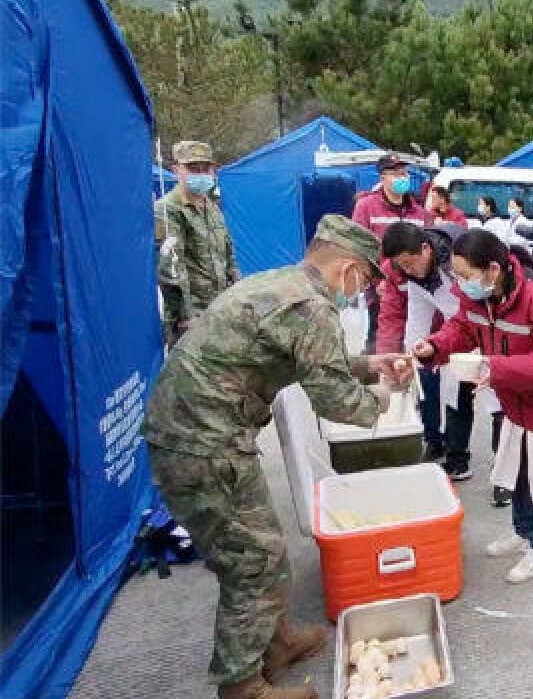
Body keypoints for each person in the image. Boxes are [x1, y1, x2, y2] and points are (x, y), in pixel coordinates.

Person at [143, 215, 413, 699]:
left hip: (201, 430)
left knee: (262, 544)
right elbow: (333, 398)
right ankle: (242, 686)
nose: (364, 291)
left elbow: (306, 358)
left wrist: (369, 366)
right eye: (367, 280)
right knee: (253, 559)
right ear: (349, 268)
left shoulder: (280, 282)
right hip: (201, 442)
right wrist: (385, 398)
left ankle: (277, 641)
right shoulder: (313, 307)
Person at [413, 230, 533, 585]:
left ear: (492, 270)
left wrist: (496, 369)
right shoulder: (480, 298)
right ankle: (522, 530)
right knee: (517, 468)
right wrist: (434, 347)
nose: (461, 283)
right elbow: (462, 329)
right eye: (458, 275)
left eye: (466, 276)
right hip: (516, 397)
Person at [377, 221, 465, 463]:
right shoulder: (410, 275)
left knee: (469, 395)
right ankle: (435, 441)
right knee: (428, 381)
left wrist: (442, 345)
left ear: (426, 248)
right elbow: (412, 320)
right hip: (448, 334)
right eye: (401, 266)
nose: (408, 270)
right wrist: (406, 357)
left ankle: (459, 457)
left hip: (477, 329)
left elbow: (463, 316)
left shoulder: (455, 267)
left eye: (410, 263)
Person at [154, 140, 239, 346]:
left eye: (205, 168)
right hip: (192, 318)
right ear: (176, 169)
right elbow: (171, 268)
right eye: (193, 168)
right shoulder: (167, 210)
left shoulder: (211, 207)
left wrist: (236, 295)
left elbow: (228, 255)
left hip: (220, 310)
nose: (201, 174)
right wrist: (186, 317)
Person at [352, 153, 430, 353]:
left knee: (415, 340)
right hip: (381, 289)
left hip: (415, 289)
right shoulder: (366, 207)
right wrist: (376, 282)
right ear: (382, 178)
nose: (401, 178)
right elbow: (359, 249)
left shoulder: (419, 211)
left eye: (404, 173)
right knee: (382, 340)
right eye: (395, 174)